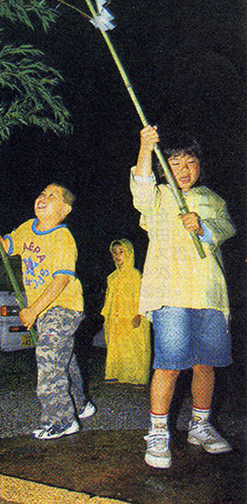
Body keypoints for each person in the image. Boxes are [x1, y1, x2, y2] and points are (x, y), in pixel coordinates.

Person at [130, 125, 235, 469]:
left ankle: (200, 425)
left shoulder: (212, 199)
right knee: (169, 364)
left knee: (206, 364)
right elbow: (140, 192)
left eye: (191, 162)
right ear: (164, 169)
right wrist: (146, 149)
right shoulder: (158, 197)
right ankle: (158, 430)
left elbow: (225, 228)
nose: (184, 170)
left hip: (208, 294)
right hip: (168, 292)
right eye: (175, 163)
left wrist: (201, 226)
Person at [0, 183, 95, 440]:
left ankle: (62, 420)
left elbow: (61, 280)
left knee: (48, 358)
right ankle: (80, 404)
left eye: (52, 196)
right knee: (62, 357)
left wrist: (32, 310)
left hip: (63, 306)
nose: (43, 197)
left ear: (64, 209)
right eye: (42, 193)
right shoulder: (27, 227)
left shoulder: (63, 237)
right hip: (42, 309)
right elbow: (3, 248)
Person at [101, 239, 150, 385]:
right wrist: (106, 316)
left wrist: (139, 314)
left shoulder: (136, 276)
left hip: (132, 317)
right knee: (116, 345)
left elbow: (141, 297)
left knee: (135, 346)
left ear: (129, 253)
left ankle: (137, 377)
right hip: (116, 319)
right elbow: (108, 299)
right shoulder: (112, 277)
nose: (117, 255)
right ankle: (114, 373)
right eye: (114, 252)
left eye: (121, 252)